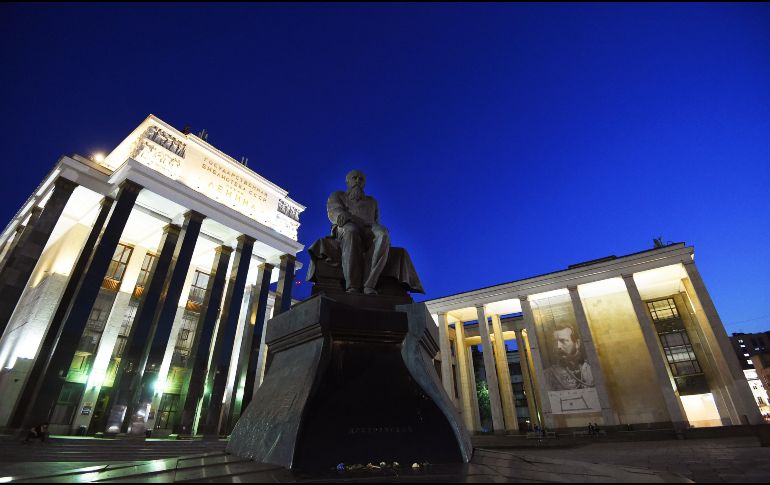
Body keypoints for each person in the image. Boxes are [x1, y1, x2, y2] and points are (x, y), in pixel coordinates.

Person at [326, 170, 390, 295]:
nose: (357, 181)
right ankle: (352, 286)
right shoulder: (338, 195)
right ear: (347, 181)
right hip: (347, 226)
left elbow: (376, 221)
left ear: (364, 183)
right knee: (351, 231)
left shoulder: (372, 201)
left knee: (383, 233)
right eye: (354, 178)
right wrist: (342, 215)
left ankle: (369, 285)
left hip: (368, 229)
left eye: (361, 179)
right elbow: (334, 211)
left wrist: (379, 229)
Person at [544, 323, 594, 391]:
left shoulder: (592, 369)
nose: (558, 346)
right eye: (555, 342)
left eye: (563, 341)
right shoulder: (548, 375)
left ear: (577, 343)